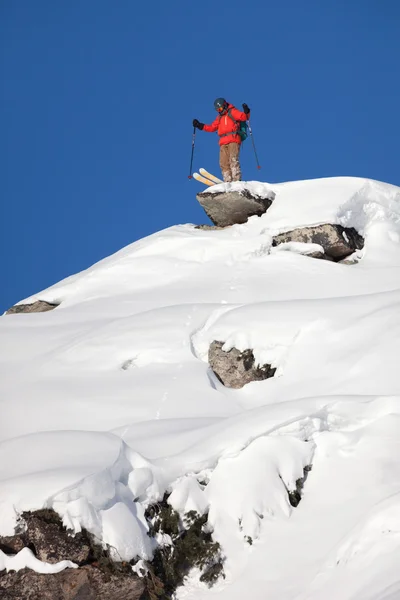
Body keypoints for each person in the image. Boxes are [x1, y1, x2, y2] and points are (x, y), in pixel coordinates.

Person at [193, 98, 250, 182]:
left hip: (233, 139)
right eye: (217, 110)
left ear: (224, 106)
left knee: (233, 159)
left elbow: (244, 117)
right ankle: (228, 180)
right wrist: (200, 125)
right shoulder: (219, 117)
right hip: (223, 142)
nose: (219, 111)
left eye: (220, 108)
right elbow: (212, 127)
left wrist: (246, 111)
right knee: (223, 162)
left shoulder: (232, 111)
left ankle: (236, 179)